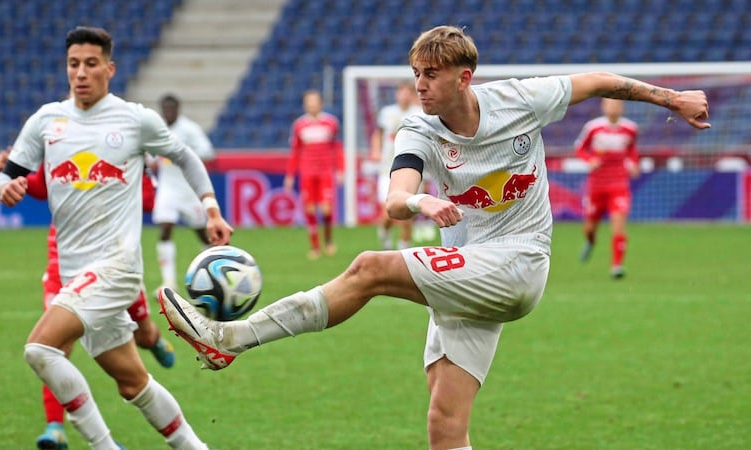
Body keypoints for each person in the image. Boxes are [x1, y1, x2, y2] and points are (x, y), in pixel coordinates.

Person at [158, 25, 710, 450]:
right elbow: (396, 197)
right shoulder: (418, 129)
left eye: (430, 74)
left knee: (370, 268)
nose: (418, 84)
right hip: (470, 267)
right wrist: (422, 200)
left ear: (463, 78)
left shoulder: (520, 99)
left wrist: (673, 99)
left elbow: (598, 83)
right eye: (416, 72)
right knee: (445, 427)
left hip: (520, 263)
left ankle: (229, 340)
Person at [0, 26, 233, 449]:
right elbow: (6, 176)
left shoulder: (135, 120)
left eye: (90, 64)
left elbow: (185, 156)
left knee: (39, 350)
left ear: (109, 68)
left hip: (117, 267)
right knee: (132, 382)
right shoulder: (47, 121)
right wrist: (4, 187)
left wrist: (211, 208)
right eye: (73, 64)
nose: (80, 73)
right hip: (75, 274)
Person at [0, 150, 177, 449]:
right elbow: (42, 186)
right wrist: (18, 175)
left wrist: (129, 178)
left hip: (113, 264)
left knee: (141, 336)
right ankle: (55, 427)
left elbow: (149, 201)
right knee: (51, 348)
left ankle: (152, 339)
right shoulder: (63, 144)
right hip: (63, 268)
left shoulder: (119, 152)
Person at [151, 93, 216, 289]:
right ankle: (169, 282)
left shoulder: (189, 129)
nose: (168, 113)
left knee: (202, 234)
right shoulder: (157, 130)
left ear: (178, 110)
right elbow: (150, 155)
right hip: (167, 189)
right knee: (165, 229)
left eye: (171, 110)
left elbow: (209, 151)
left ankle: (211, 276)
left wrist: (185, 154)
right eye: (165, 110)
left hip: (189, 190)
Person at [574, 98, 640, 279]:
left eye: (617, 104)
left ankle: (617, 266)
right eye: (610, 104)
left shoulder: (630, 129)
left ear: (622, 107)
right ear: (604, 107)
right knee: (589, 229)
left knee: (618, 226)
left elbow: (632, 151)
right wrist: (590, 160)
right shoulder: (593, 128)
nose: (613, 108)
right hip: (596, 185)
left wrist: (634, 164)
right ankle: (590, 242)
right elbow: (579, 148)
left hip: (619, 185)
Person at [283, 90, 343, 259]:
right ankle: (315, 247)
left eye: (315, 101)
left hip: (325, 172)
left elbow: (337, 148)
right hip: (307, 172)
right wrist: (289, 175)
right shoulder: (299, 125)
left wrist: (340, 169)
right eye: (309, 101)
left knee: (326, 208)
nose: (312, 104)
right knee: (309, 208)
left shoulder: (331, 122)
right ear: (305, 104)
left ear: (320, 103)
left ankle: (329, 240)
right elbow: (295, 152)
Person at [369, 81, 422, 250]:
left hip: (411, 168)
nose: (404, 95)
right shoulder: (387, 113)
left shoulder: (418, 113)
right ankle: (384, 236)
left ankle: (403, 253)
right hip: (388, 169)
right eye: (402, 92)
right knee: (388, 213)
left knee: (408, 213)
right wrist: (376, 150)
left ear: (412, 95)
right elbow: (378, 134)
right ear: (397, 94)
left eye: (408, 92)